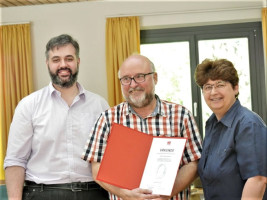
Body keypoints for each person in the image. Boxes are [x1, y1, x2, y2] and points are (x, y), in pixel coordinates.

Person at [4, 34, 110, 200]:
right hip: (42, 193)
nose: (63, 65)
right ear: (47, 63)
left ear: (78, 62)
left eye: (69, 58)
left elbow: (109, 158)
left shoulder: (100, 105)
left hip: (93, 193)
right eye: (56, 60)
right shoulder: (28, 105)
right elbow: (15, 160)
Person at [82, 54, 202, 200]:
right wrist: (126, 195)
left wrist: (166, 193)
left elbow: (194, 163)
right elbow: (96, 169)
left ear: (155, 78)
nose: (133, 85)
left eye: (140, 76)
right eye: (126, 79)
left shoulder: (181, 115)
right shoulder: (107, 120)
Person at [194, 58, 267, 200]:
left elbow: (258, 180)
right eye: (207, 87)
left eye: (220, 85)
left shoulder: (248, 124)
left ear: (235, 88)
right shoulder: (211, 123)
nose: (213, 92)